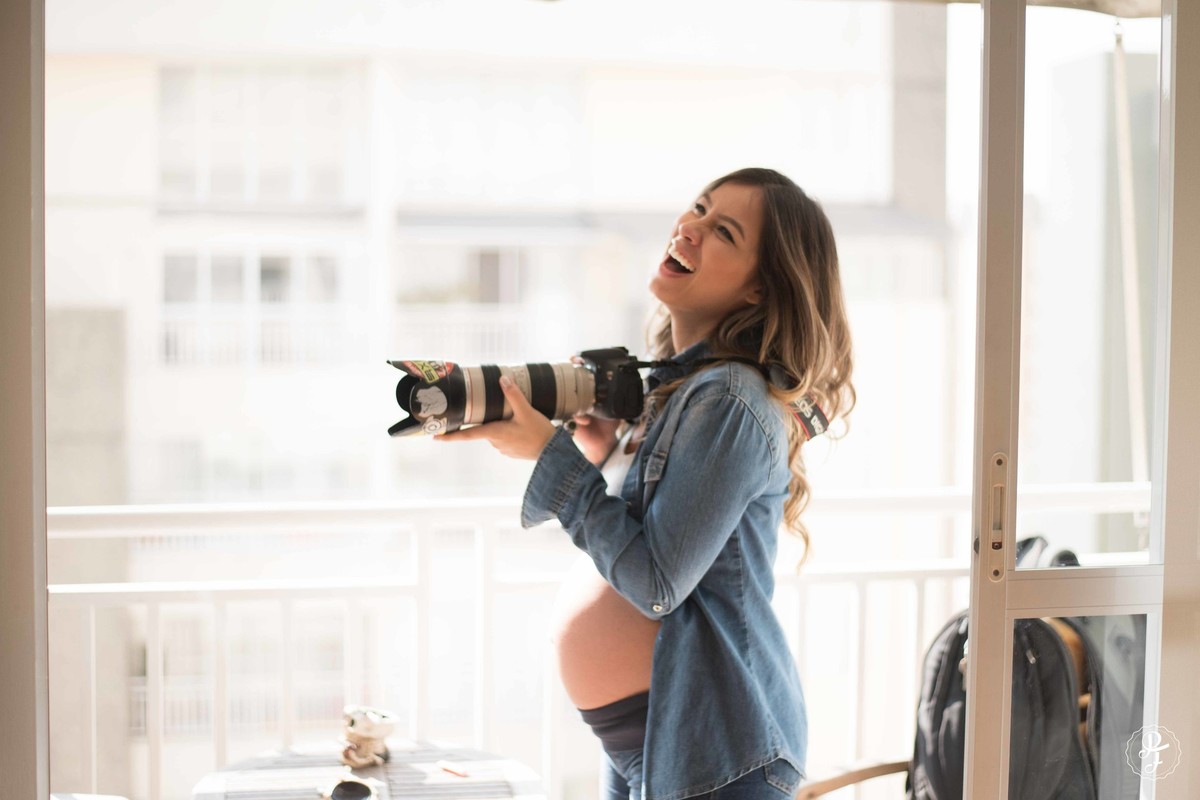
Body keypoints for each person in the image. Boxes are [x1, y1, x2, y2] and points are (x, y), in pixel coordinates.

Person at [436, 167, 855, 800]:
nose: (689, 228)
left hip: (716, 752)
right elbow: (648, 542)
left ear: (757, 290)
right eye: (698, 208)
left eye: (723, 232)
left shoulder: (731, 400)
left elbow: (657, 584)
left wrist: (550, 456)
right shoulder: (686, 390)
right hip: (661, 742)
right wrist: (596, 456)